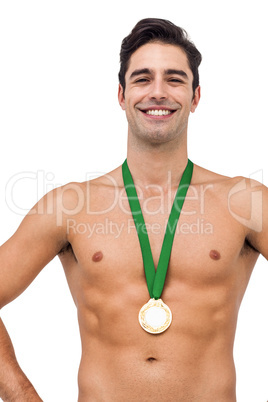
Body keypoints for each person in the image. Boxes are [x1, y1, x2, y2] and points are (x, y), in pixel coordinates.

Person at [0, 17, 267, 402]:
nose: (158, 92)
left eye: (174, 79)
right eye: (143, 79)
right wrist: (24, 396)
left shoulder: (245, 202)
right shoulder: (69, 206)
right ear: (122, 95)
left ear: (195, 97)